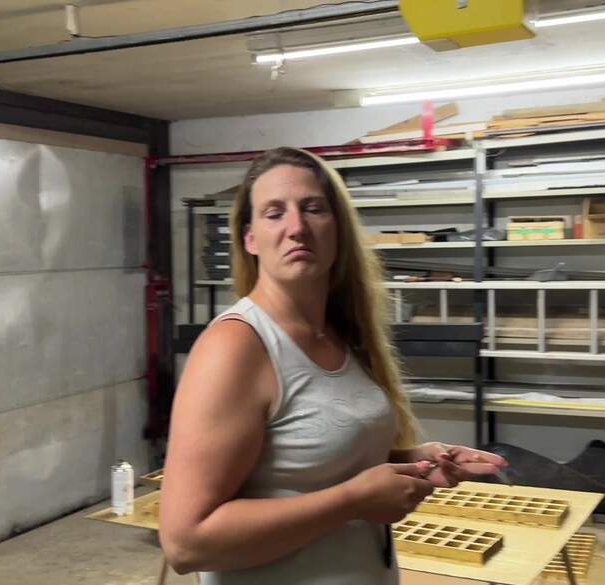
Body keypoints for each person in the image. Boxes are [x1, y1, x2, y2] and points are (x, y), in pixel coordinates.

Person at [158, 147, 508, 584]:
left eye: (313, 209)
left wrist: (414, 461)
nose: (297, 227)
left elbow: (305, 461)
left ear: (338, 228)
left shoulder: (342, 333)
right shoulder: (236, 347)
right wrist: (353, 501)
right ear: (250, 239)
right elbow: (187, 544)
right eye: (274, 213)